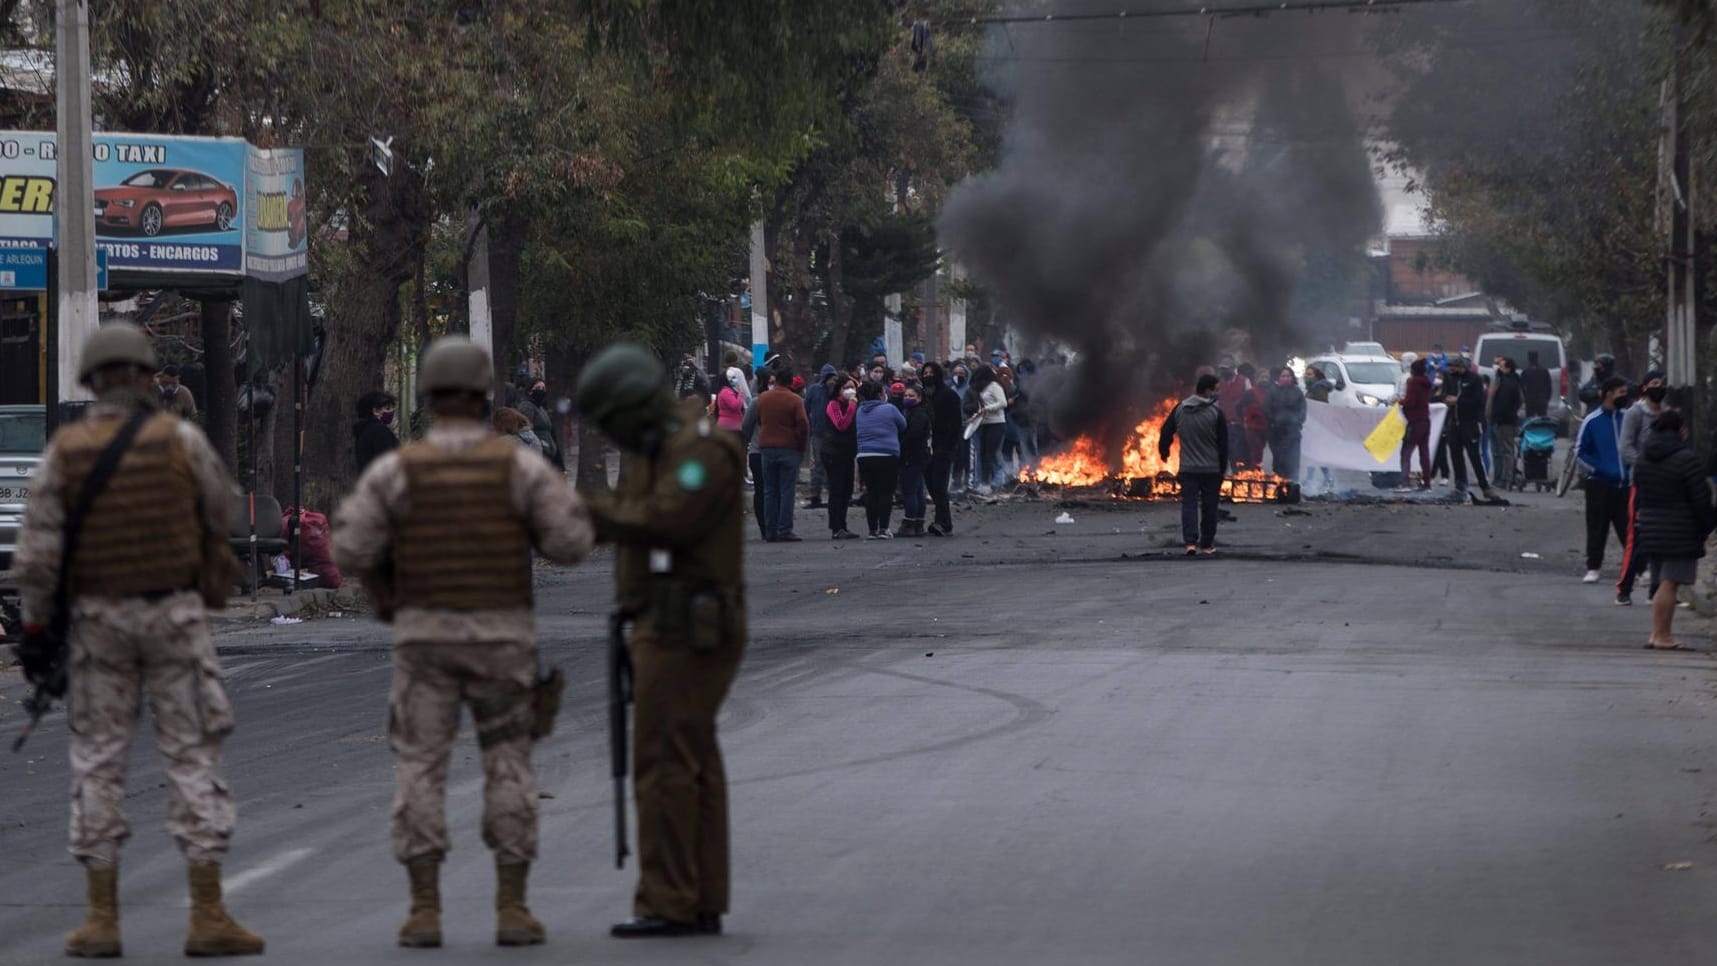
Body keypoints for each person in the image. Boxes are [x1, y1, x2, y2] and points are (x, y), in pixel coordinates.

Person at [334, 337, 593, 949]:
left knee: (421, 766)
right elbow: (570, 543)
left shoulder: (402, 468)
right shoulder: (517, 465)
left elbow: (349, 549)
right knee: (508, 764)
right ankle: (512, 907)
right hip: (501, 636)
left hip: (424, 636)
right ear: (481, 397)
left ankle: (424, 910)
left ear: (427, 396)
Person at [12, 323, 261, 957]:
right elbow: (226, 509)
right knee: (191, 753)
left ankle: (101, 920)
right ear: (149, 377)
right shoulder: (179, 440)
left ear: (89, 381)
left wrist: (36, 631)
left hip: (97, 622)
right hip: (174, 615)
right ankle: (207, 914)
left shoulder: (66, 451)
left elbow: (38, 557)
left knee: (98, 759)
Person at [574, 343, 747, 939]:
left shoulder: (701, 452)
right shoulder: (652, 452)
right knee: (686, 760)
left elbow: (668, 518)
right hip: (660, 622)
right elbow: (634, 515)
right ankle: (697, 894)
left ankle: (673, 898)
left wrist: (585, 514)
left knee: (669, 761)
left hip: (687, 627)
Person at [1631, 409, 1714, 649]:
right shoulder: (1685, 458)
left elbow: (1638, 487)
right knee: (1670, 583)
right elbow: (1700, 497)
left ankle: (1657, 634)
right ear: (1680, 430)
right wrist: (1707, 523)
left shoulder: (1644, 457)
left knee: (1661, 581)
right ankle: (1661, 635)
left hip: (1650, 526)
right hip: (1680, 529)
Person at [1615, 369, 1669, 604]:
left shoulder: (1668, 414)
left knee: (1662, 538)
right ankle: (1624, 589)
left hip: (1665, 486)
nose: (1659, 387)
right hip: (1641, 483)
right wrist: (1645, 467)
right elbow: (1625, 447)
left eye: (1662, 383)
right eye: (1655, 383)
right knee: (1637, 537)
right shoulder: (1635, 414)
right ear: (1645, 387)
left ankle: (1656, 590)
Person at [1160, 373, 1228, 555]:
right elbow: (1223, 445)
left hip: (1188, 468)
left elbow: (1166, 432)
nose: (1218, 392)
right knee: (1210, 507)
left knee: (1189, 505)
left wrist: (1164, 451)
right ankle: (1207, 545)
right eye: (1216, 389)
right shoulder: (1215, 414)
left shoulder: (1180, 409)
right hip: (1211, 470)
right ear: (1208, 390)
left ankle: (1190, 543)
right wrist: (1222, 469)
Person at [1577, 376, 1632, 587]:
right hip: (1599, 484)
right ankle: (1593, 567)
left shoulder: (1628, 418)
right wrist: (1599, 470)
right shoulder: (1592, 420)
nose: (1624, 397)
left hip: (1625, 483)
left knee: (1628, 528)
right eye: (1621, 392)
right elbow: (1580, 452)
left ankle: (1638, 567)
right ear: (1609, 394)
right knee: (1597, 526)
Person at [755, 365, 809, 542]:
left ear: (776, 380)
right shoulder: (795, 400)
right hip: (789, 448)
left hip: (767, 448)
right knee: (787, 490)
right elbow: (803, 424)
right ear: (790, 381)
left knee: (769, 490)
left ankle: (770, 531)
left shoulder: (763, 398)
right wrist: (801, 445)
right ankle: (784, 529)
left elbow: (759, 419)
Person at [1442, 358, 1500, 501]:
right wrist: (1445, 400)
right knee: (1456, 456)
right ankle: (1460, 485)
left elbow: (1478, 401)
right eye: (1450, 367)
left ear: (1462, 367)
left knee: (1475, 456)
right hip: (1454, 423)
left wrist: (1458, 401)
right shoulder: (1450, 378)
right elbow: (1444, 394)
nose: (1451, 370)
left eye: (1454, 367)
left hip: (1471, 423)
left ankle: (1485, 487)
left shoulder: (1474, 379)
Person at [855, 381, 906, 538]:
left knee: (872, 492)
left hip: (864, 455)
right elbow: (903, 425)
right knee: (885, 493)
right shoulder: (889, 408)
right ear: (880, 394)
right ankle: (884, 529)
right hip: (887, 455)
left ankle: (872, 530)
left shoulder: (860, 410)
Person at [922, 361, 962, 536]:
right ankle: (945, 522)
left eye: (931, 373)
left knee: (939, 485)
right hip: (925, 448)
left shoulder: (949, 395)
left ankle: (941, 521)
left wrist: (949, 447)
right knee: (931, 485)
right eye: (925, 373)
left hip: (943, 448)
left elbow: (955, 424)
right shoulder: (922, 395)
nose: (927, 376)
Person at [821, 379, 861, 540]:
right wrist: (851, 406)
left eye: (852, 387)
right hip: (833, 453)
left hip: (848, 452)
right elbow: (841, 424)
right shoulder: (833, 405)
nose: (850, 390)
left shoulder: (857, 405)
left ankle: (843, 525)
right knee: (836, 490)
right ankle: (836, 527)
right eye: (846, 387)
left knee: (846, 490)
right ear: (839, 390)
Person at [738, 371, 771, 540]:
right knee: (762, 490)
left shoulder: (780, 400)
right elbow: (745, 429)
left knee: (770, 491)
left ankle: (772, 525)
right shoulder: (757, 403)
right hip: (759, 453)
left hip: (768, 452)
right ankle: (765, 527)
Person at [897, 384, 932, 537]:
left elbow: (913, 435)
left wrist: (900, 445)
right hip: (918, 455)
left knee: (910, 491)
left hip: (912, 456)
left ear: (920, 398)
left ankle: (909, 522)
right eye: (906, 396)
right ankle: (919, 523)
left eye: (912, 396)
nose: (908, 398)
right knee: (918, 490)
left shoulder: (918, 415)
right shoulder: (912, 412)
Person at [802, 365, 838, 509]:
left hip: (833, 434)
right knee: (818, 465)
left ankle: (833, 494)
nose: (831, 381)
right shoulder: (814, 390)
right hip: (818, 433)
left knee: (832, 465)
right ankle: (815, 495)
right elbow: (806, 408)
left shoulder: (835, 390)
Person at [1488, 356, 1524, 490]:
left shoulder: (1509, 383)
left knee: (1506, 451)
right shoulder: (1507, 380)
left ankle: (1507, 478)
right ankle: (1504, 477)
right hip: (1502, 419)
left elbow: (1505, 403)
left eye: (1501, 366)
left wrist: (1498, 417)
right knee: (1502, 450)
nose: (1499, 368)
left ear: (1508, 368)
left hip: (1504, 420)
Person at [1397, 359, 1434, 489]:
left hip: (1415, 421)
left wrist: (1400, 402)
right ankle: (1427, 482)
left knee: (1406, 452)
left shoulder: (1413, 383)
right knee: (1424, 453)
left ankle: (1405, 482)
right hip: (1425, 420)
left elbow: (1411, 402)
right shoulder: (1427, 383)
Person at [972, 365, 1008, 494]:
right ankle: (984, 483)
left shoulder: (994, 386)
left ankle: (1000, 481)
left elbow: (1003, 403)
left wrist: (988, 408)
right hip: (982, 424)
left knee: (992, 453)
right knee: (982, 454)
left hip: (996, 424)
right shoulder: (980, 388)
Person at [1264, 367, 1305, 480]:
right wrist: (1275, 420)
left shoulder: (1297, 392)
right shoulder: (1272, 391)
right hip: (1276, 433)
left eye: (1288, 376)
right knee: (1279, 460)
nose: (1286, 378)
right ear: (1279, 378)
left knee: (1293, 461)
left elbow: (1302, 410)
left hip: (1293, 433)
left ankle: (1292, 485)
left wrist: (1297, 420)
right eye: (1283, 376)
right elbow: (1266, 409)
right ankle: (1278, 484)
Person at [354, 390, 401, 474]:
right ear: (376, 411)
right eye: (387, 408)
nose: (392, 412)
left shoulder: (363, 430)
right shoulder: (380, 431)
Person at [1215, 361, 1251, 469]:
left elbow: (1249, 402)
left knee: (1239, 456)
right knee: (1223, 456)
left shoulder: (1244, 381)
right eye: (1222, 369)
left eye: (1226, 369)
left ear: (1233, 369)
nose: (1224, 372)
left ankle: (1239, 481)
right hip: (1223, 425)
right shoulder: (1218, 383)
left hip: (1239, 425)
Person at [1236, 362, 1270, 471]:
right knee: (1255, 453)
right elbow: (1239, 407)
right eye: (1262, 377)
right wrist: (1245, 421)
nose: (1264, 379)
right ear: (1256, 378)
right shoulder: (1250, 393)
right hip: (1253, 428)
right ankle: (1254, 473)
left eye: (1266, 377)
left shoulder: (1272, 393)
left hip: (1267, 428)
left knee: (1265, 453)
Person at [1522, 350, 1552, 419]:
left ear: (1529, 359)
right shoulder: (1544, 371)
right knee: (1542, 419)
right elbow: (1548, 386)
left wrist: (1525, 397)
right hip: (1542, 399)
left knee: (1530, 419)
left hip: (1530, 400)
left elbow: (1522, 386)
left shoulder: (1526, 371)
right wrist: (1546, 398)